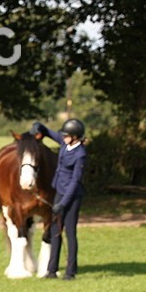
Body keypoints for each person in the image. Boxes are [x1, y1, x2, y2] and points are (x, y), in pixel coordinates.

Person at [34, 119, 87, 280]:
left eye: (66, 135)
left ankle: (70, 272)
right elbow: (52, 134)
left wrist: (62, 204)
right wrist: (40, 126)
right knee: (55, 231)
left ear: (75, 136)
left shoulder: (80, 155)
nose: (62, 137)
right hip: (59, 191)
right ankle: (52, 270)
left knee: (70, 232)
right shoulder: (65, 144)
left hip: (72, 196)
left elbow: (75, 181)